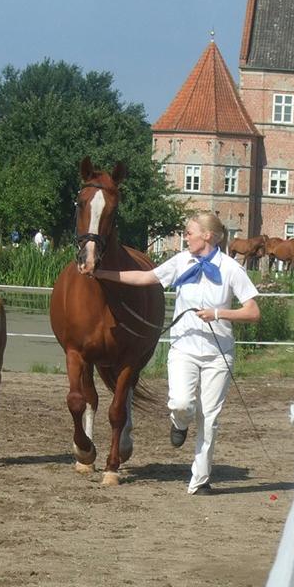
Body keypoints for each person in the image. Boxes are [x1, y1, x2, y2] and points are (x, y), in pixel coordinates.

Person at [88, 211, 260, 495]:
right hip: (184, 348)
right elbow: (145, 277)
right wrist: (103, 274)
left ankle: (200, 480)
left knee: (209, 418)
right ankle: (179, 422)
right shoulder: (181, 261)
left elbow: (253, 311)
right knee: (181, 403)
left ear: (207, 235)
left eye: (189, 233)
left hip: (219, 353)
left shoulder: (231, 268)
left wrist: (219, 313)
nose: (185, 237)